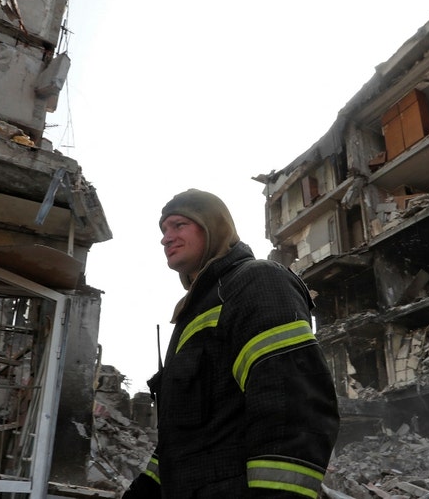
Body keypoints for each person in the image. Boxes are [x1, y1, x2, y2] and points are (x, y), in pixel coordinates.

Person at [122, 189, 340, 498]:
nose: (165, 238)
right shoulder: (191, 314)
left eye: (179, 225)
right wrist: (145, 490)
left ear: (212, 227)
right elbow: (186, 438)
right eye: (163, 229)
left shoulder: (256, 281)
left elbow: (294, 405)